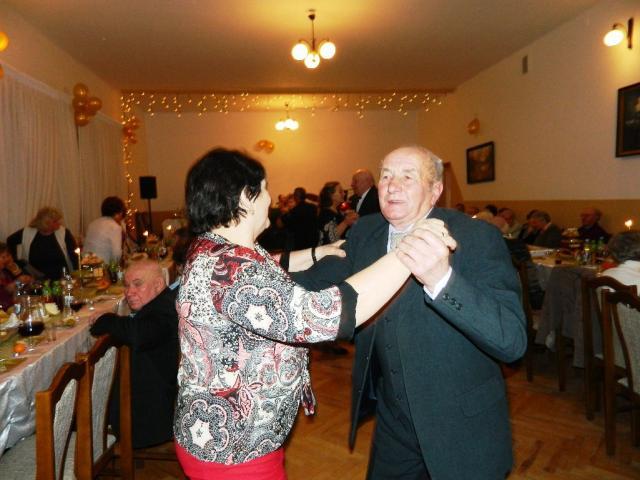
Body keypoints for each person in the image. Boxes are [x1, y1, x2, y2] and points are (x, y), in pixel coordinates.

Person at [173, 147, 438, 479]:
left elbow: (267, 264)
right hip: (234, 450)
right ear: (245, 197)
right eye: (265, 189)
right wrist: (408, 251)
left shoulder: (213, 249)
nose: (270, 199)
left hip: (214, 432)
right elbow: (323, 316)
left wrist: (318, 252)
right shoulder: (232, 270)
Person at [292, 145, 526, 479]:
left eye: (407, 177)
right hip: (394, 419)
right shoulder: (368, 231)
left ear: (435, 190)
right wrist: (247, 270)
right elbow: (319, 281)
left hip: (461, 425)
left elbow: (512, 341)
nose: (392, 186)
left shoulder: (476, 237)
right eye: (386, 176)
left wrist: (442, 280)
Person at [89, 259, 178, 449]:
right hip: (151, 404)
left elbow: (139, 333)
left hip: (147, 419)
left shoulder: (165, 310)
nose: (129, 292)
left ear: (158, 285)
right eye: (127, 285)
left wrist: (106, 319)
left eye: (137, 284)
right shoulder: (163, 302)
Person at [6, 207, 78, 280]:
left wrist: (77, 273)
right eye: (55, 221)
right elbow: (10, 241)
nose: (59, 223)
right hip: (36, 278)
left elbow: (74, 255)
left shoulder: (64, 233)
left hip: (61, 277)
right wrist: (15, 260)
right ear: (46, 223)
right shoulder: (27, 232)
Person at [83, 196, 127, 264]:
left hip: (86, 264)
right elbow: (116, 255)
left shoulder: (93, 223)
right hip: (102, 266)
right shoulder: (114, 227)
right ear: (119, 213)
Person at [0, 242, 32, 310]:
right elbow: (5, 291)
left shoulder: (5, 272)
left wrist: (24, 283)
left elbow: (16, 291)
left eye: (8, 255)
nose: (7, 259)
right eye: (3, 257)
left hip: (12, 309)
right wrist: (18, 281)